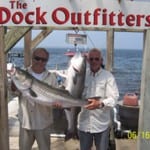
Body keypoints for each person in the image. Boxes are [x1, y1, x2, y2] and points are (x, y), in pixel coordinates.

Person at [11, 47, 60, 150]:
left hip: (44, 124)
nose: (40, 62)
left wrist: (58, 105)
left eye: (44, 60)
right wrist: (14, 84)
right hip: (26, 123)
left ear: (47, 61)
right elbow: (13, 92)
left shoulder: (52, 77)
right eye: (37, 58)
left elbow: (57, 100)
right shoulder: (24, 73)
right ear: (32, 58)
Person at [77, 48, 119, 150]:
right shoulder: (81, 75)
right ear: (87, 60)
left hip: (101, 126)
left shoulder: (108, 76)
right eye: (91, 59)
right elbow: (72, 93)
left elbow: (114, 98)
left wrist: (100, 103)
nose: (94, 61)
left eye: (96, 59)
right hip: (83, 124)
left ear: (101, 60)